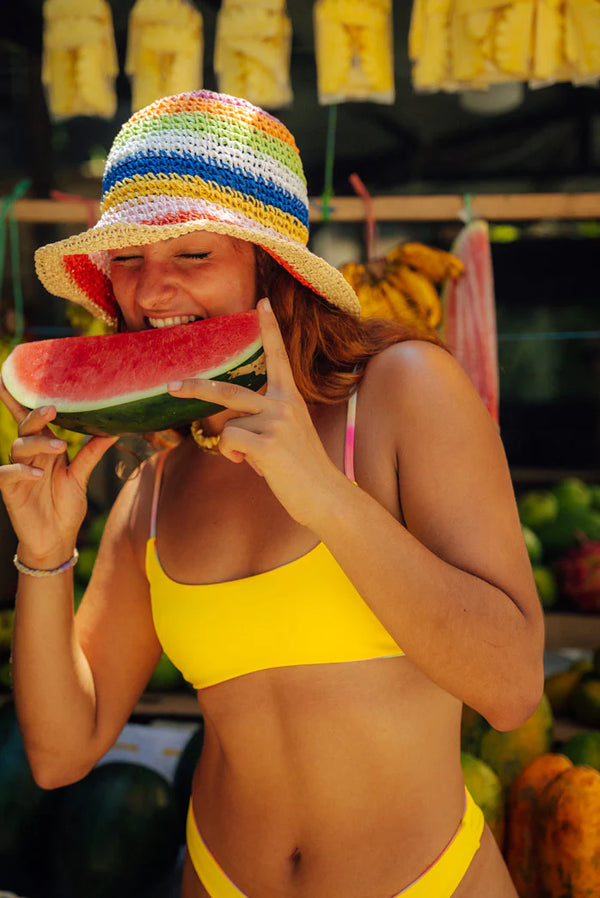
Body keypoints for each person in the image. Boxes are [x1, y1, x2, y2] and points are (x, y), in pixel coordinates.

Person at [0, 90, 543, 898]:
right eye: (129, 261)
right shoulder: (153, 491)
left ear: (273, 268)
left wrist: (322, 493)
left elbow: (511, 689)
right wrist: (44, 557)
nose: (151, 293)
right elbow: (59, 752)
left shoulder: (402, 393)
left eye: (193, 255)